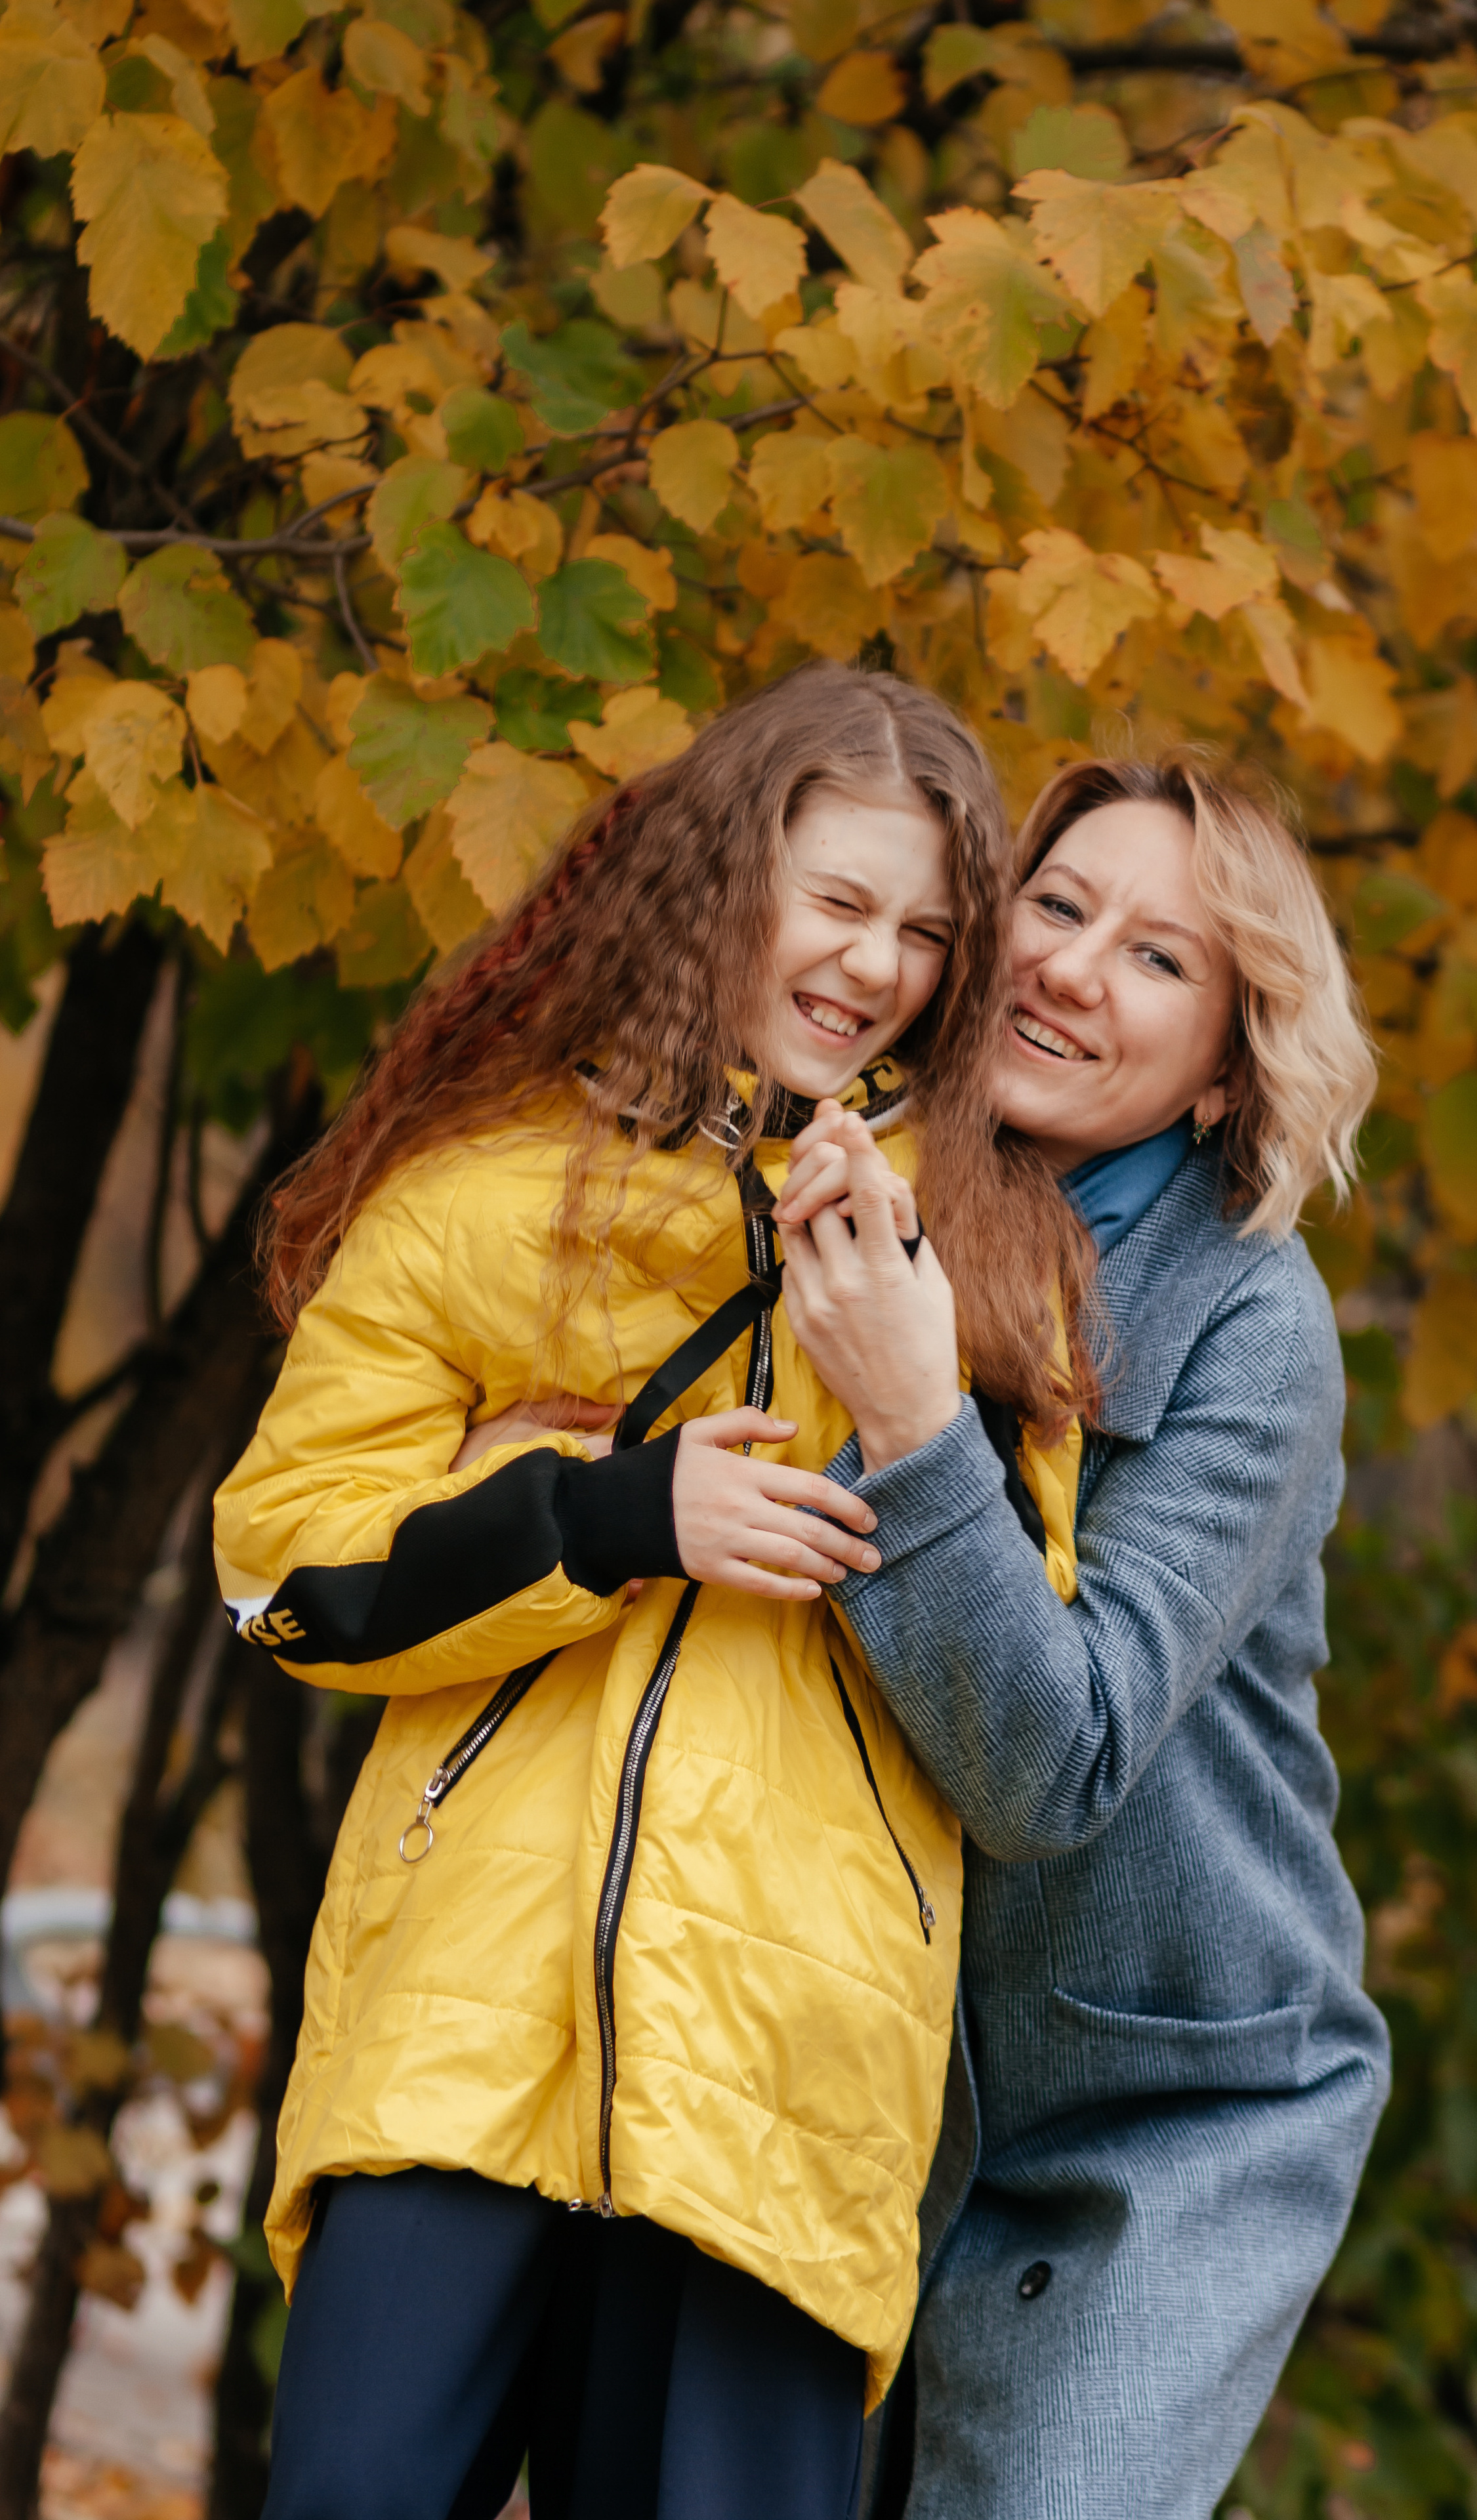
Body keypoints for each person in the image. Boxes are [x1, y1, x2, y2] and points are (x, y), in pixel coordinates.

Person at [211, 666, 1089, 2520]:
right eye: (840, 903)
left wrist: (898, 1372)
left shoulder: (992, 1249)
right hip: (456, 2032)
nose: (878, 968)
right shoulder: (484, 1192)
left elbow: (1019, 1671)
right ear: (726, 879)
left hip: (788, 2065)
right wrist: (604, 1518)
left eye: (929, 932)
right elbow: (279, 1571)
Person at [774, 753, 1394, 2519]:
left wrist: (908, 1429)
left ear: (1224, 1075)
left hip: (1161, 2110)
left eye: (1158, 959)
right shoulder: (832, 1191)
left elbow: (1061, 1761)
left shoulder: (1253, 1330)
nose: (1069, 967)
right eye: (1057, 907)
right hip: (862, 2075)